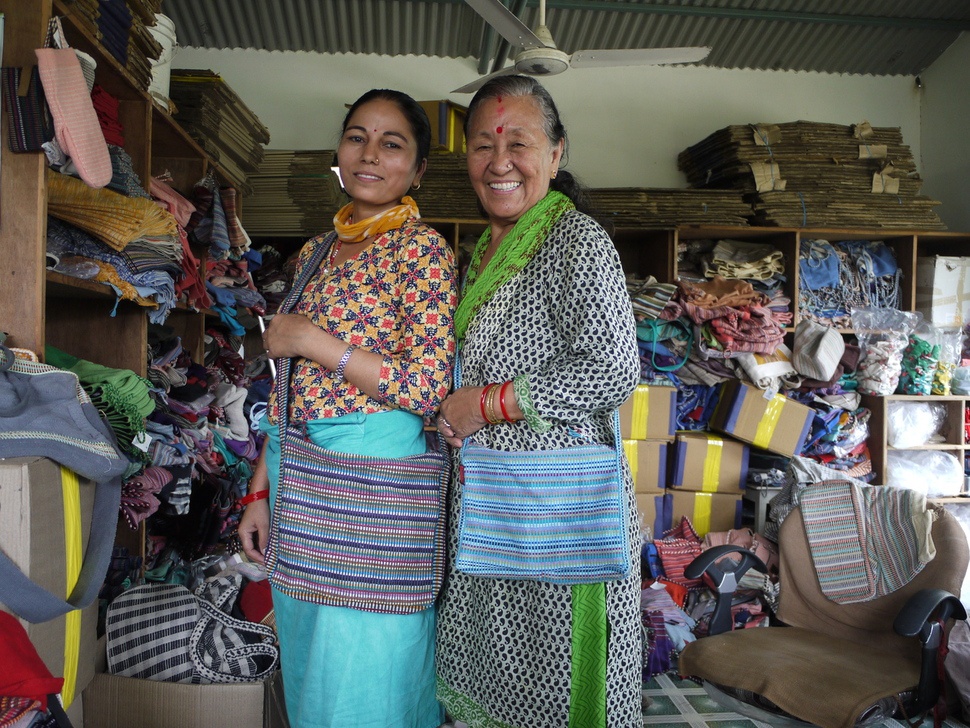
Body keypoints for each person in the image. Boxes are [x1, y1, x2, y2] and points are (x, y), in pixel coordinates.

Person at [237, 89, 458, 728]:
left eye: (393, 144)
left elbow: (429, 388)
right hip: (300, 475)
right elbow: (287, 385)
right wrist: (259, 490)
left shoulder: (421, 252)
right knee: (310, 658)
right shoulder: (316, 251)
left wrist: (314, 340)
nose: (370, 154)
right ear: (339, 151)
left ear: (416, 171)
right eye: (357, 137)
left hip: (374, 480)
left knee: (369, 659)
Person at [433, 75, 642, 728]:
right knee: (500, 681)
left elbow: (612, 368)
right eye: (482, 146)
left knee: (559, 688)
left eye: (518, 143)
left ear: (555, 154)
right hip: (494, 511)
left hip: (560, 520)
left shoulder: (575, 241)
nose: (499, 162)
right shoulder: (478, 254)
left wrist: (485, 405)